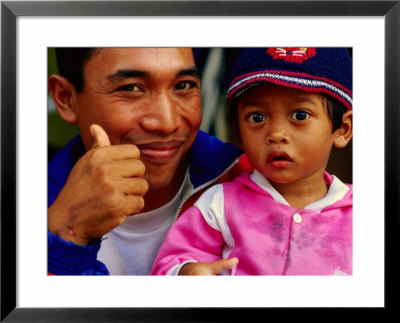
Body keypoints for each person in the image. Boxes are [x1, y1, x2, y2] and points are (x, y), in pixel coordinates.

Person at [150, 47, 353, 276]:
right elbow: (169, 266)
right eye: (257, 118)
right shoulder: (219, 205)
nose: (276, 134)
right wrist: (187, 272)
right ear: (239, 133)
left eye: (300, 115)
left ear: (342, 129)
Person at [47, 48, 249, 275]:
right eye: (131, 88)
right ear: (65, 98)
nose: (167, 122)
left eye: (183, 85)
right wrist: (64, 242)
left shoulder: (257, 181)